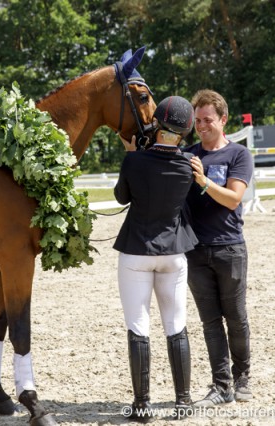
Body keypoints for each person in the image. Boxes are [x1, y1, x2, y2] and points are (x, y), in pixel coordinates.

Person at [114, 95, 198, 421]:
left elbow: (121, 196)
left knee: (139, 327)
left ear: (157, 124)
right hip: (174, 253)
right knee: (176, 326)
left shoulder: (135, 160)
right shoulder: (188, 165)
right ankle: (183, 402)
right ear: (185, 131)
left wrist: (132, 154)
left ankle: (143, 406)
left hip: (136, 250)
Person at [184, 89, 254, 407]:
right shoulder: (188, 156)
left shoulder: (238, 155)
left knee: (236, 318)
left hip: (230, 249)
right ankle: (220, 385)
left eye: (207, 120)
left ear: (223, 120)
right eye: (197, 120)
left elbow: (233, 198)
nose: (201, 126)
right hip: (195, 252)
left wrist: (203, 182)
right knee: (210, 322)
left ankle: (243, 379)